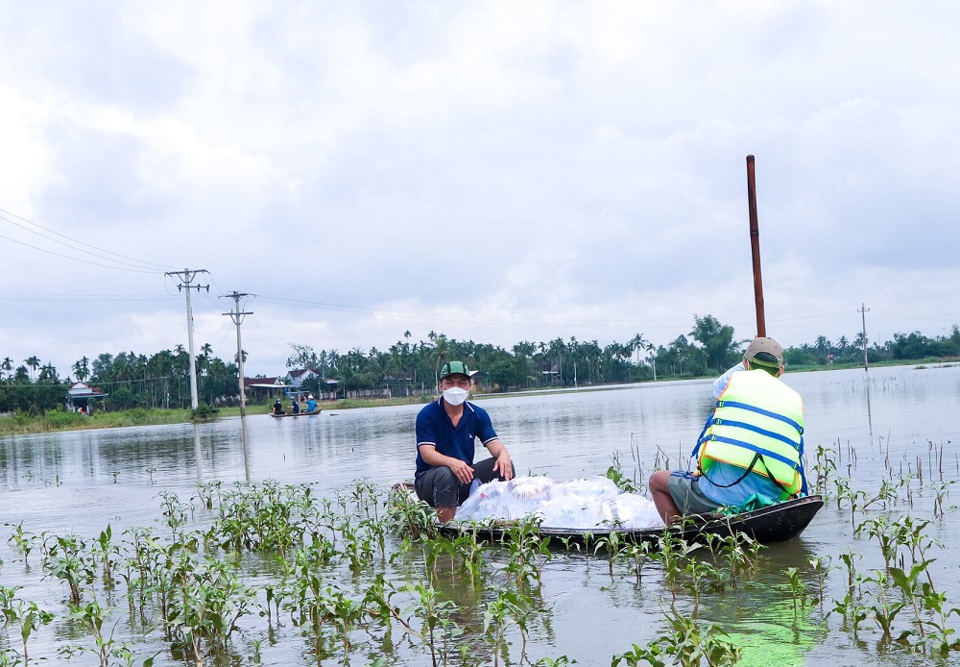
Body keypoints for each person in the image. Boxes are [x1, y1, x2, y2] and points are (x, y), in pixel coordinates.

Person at [649, 336, 808, 524]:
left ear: (745, 364)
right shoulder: (792, 402)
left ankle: (679, 537)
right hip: (773, 499)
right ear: (781, 371)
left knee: (657, 481)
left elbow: (718, 385)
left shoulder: (731, 388)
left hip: (719, 496)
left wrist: (747, 364)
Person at [415, 360, 515, 523]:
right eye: (450, 383)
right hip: (430, 483)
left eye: (462, 383)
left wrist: (504, 455)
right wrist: (452, 463)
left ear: (469, 386)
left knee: (503, 466)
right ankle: (448, 530)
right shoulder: (427, 415)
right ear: (441, 386)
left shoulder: (477, 414)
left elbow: (496, 447)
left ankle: (503, 522)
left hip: (463, 478)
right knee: (446, 473)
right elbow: (426, 453)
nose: (456, 388)